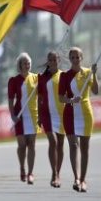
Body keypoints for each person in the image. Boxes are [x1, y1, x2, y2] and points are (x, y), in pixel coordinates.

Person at [59, 47, 99, 193]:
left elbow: (95, 91)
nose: (75, 60)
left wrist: (94, 74)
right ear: (70, 59)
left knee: (84, 148)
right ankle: (76, 178)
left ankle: (83, 179)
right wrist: (71, 100)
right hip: (70, 113)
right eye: (73, 57)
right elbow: (60, 97)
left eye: (78, 57)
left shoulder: (88, 73)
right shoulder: (65, 76)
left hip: (85, 113)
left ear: (82, 58)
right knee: (73, 146)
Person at [8, 53, 40, 185]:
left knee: (31, 144)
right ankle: (22, 168)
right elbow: (10, 99)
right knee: (22, 145)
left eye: (28, 63)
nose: (27, 65)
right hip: (20, 116)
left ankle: (30, 173)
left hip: (33, 115)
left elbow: (42, 96)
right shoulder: (14, 81)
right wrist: (12, 115)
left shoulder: (36, 78)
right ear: (19, 65)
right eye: (24, 63)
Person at [37, 51, 66, 188]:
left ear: (58, 61)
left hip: (62, 113)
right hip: (46, 113)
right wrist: (38, 116)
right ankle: (54, 173)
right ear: (47, 61)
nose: (53, 62)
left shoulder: (64, 76)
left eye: (55, 59)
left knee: (60, 144)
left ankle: (58, 174)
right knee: (53, 141)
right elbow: (40, 97)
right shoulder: (42, 78)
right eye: (51, 60)